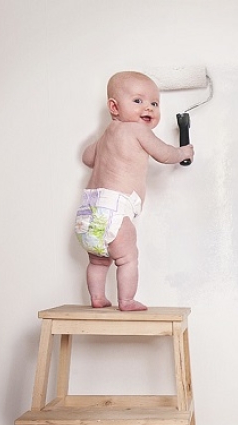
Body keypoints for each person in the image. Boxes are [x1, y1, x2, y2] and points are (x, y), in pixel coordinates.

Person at [75, 71, 194, 311]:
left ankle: (97, 297)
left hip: (88, 212)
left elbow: (88, 157)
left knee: (98, 262)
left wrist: (102, 143)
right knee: (127, 258)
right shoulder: (138, 131)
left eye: (154, 103)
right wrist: (183, 152)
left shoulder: (108, 133)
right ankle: (126, 300)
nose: (148, 108)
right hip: (114, 209)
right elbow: (164, 154)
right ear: (114, 107)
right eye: (138, 101)